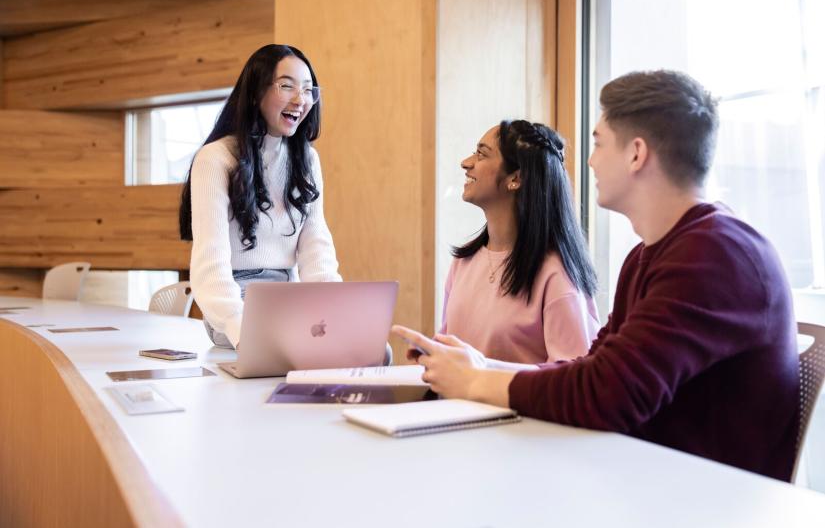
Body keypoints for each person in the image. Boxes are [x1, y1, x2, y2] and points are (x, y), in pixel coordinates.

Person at [394, 70, 799, 482]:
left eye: (598, 142)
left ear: (636, 154)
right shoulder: (650, 255)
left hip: (701, 497)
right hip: (649, 477)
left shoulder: (716, 254)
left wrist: (477, 381)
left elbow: (606, 393)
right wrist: (481, 368)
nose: (589, 160)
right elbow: (593, 366)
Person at [179, 44, 341, 348]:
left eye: (308, 90)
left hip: (288, 297)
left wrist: (334, 310)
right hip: (234, 300)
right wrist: (240, 328)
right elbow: (209, 263)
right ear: (255, 92)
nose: (300, 100)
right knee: (293, 346)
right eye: (287, 86)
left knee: (374, 348)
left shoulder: (307, 159)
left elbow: (316, 247)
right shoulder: (215, 158)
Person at [442, 120, 599, 364]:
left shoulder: (555, 274)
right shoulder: (463, 263)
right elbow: (447, 352)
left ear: (515, 178)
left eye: (482, 154)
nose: (466, 162)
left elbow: (572, 377)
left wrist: (479, 374)